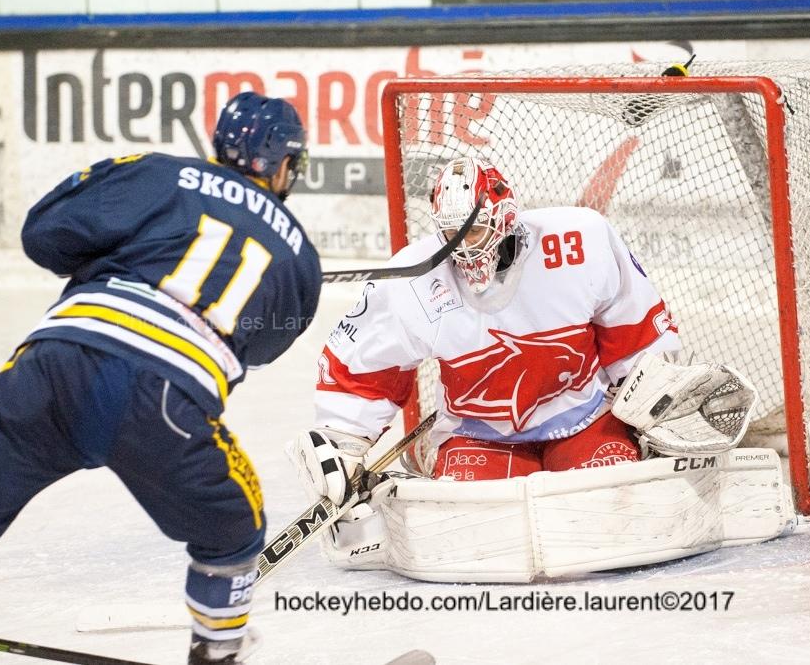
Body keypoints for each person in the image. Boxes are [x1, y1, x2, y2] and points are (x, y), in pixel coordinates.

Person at [0, 91, 320, 665]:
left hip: (54, 363)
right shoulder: (300, 259)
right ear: (283, 164)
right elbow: (264, 345)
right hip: (162, 400)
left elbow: (45, 233)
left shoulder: (158, 173)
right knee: (236, 530)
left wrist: (115, 264)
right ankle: (219, 650)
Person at [294, 155, 759, 570]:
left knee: (616, 506)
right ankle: (436, 460)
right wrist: (343, 441)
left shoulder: (580, 240)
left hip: (582, 420)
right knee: (470, 531)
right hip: (478, 430)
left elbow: (632, 325)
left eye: (472, 230)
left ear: (504, 217)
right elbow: (363, 364)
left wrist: (655, 394)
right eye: (450, 232)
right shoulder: (412, 278)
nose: (462, 247)